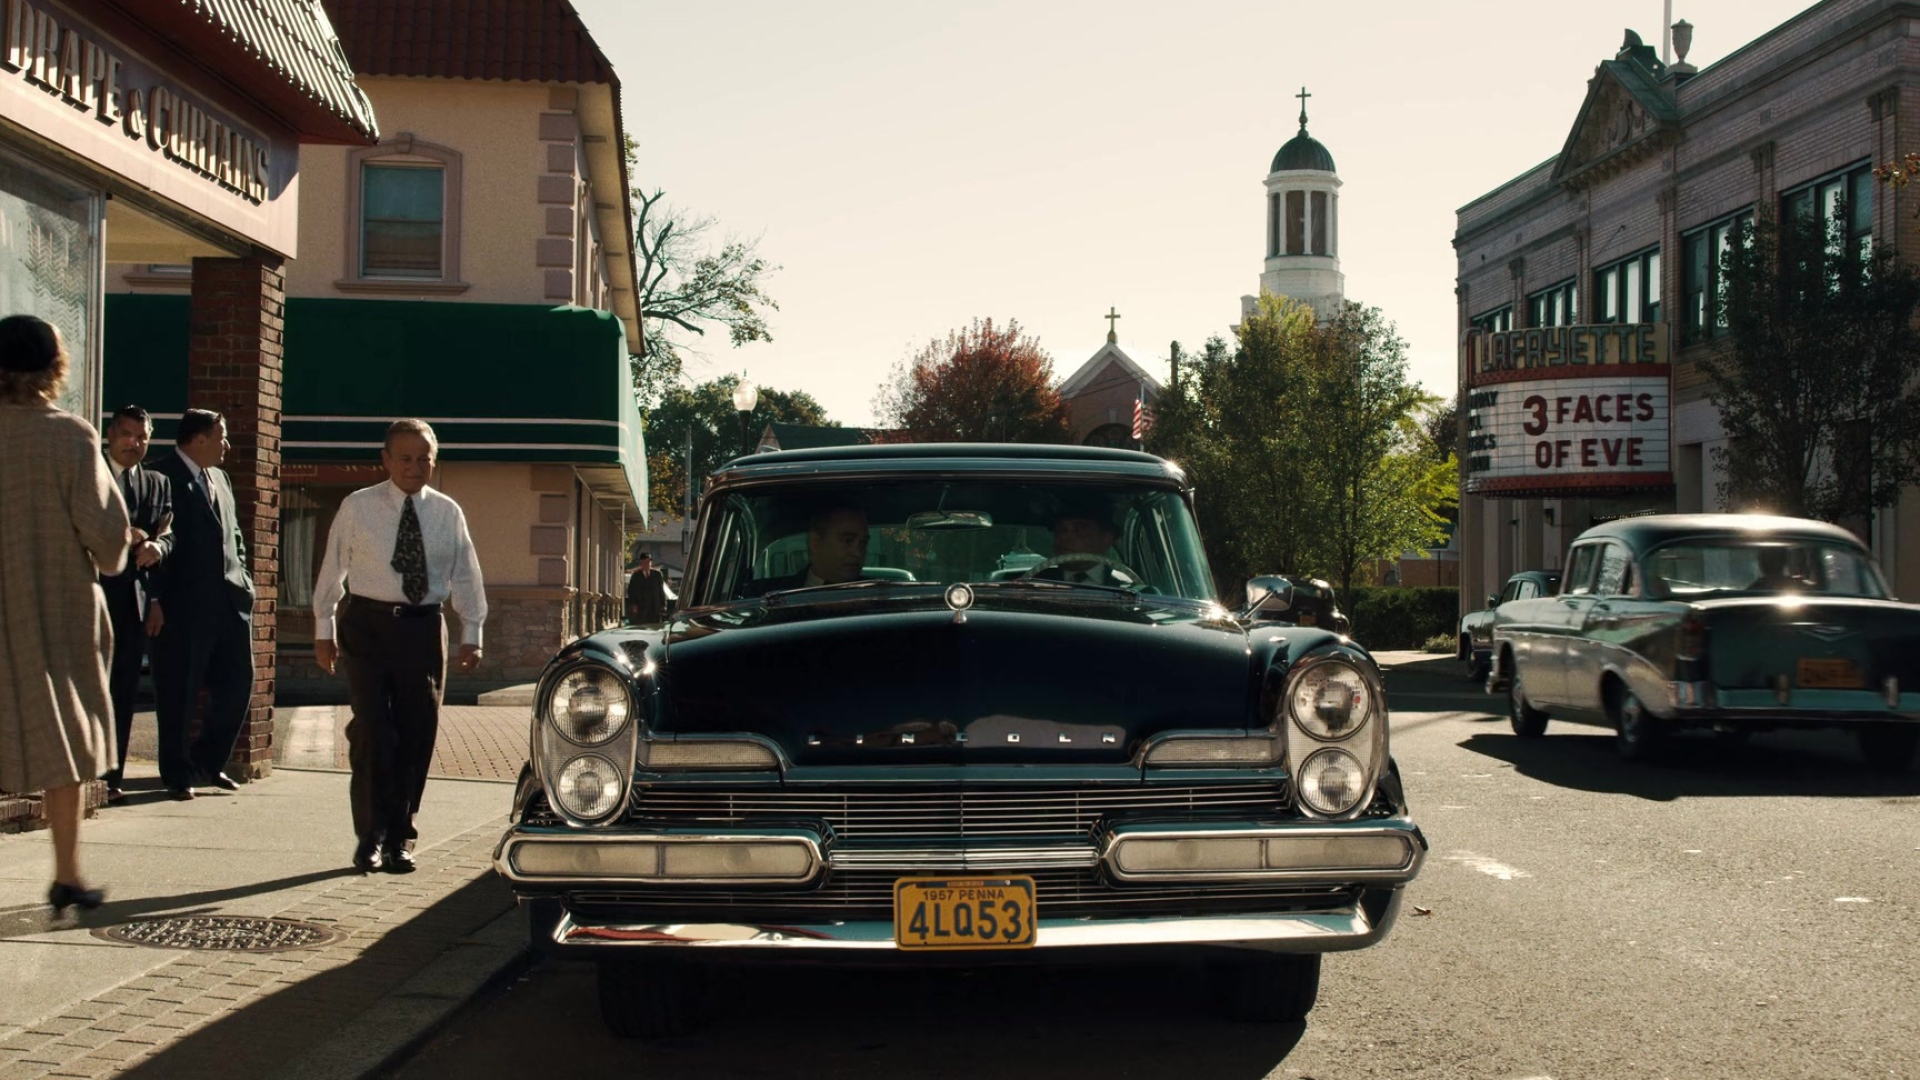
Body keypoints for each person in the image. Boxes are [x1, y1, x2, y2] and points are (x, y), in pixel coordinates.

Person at [311, 419, 486, 874]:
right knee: (372, 731)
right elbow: (333, 568)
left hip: (422, 630)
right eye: (404, 458)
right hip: (367, 626)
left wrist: (472, 632)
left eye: (423, 458)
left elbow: (465, 572)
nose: (414, 467)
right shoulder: (357, 506)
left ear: (434, 460)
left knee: (415, 733)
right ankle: (369, 836)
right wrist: (323, 628)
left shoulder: (448, 512)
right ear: (386, 460)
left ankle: (400, 837)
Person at [0, 314, 129, 914]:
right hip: (53, 608)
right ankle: (67, 874)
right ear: (55, 367)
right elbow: (107, 539)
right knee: (65, 737)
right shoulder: (70, 437)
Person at [147, 408, 255, 801]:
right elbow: (153, 542)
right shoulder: (160, 476)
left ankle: (208, 762)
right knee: (179, 692)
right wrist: (154, 599)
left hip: (229, 604)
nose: (226, 444)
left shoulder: (221, 479)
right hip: (180, 608)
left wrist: (244, 579)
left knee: (238, 683)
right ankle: (176, 774)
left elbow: (235, 536)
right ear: (198, 439)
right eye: (221, 436)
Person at [98, 405, 173, 804]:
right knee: (88, 688)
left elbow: (168, 532)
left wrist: (158, 547)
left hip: (133, 602)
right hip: (89, 596)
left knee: (123, 690)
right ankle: (79, 775)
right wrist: (120, 532)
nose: (134, 443)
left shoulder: (157, 483)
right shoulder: (89, 470)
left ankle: (111, 778)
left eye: (141, 437)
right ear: (111, 434)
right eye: (127, 434)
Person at [741, 505, 869, 596]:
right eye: (848, 540)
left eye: (863, 543)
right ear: (815, 542)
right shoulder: (766, 596)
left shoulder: (881, 597)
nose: (858, 553)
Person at [1030, 499, 1135, 586]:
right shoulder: (1036, 583)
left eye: (1078, 530)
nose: (1064, 537)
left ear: (1106, 537)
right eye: (1060, 529)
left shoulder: (1127, 588)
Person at [625, 553, 670, 624]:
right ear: (641, 563)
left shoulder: (657, 574)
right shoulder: (636, 576)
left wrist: (663, 605)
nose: (647, 564)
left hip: (655, 607)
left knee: (655, 627)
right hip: (641, 608)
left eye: (648, 562)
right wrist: (634, 604)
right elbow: (631, 591)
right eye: (645, 562)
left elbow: (661, 591)